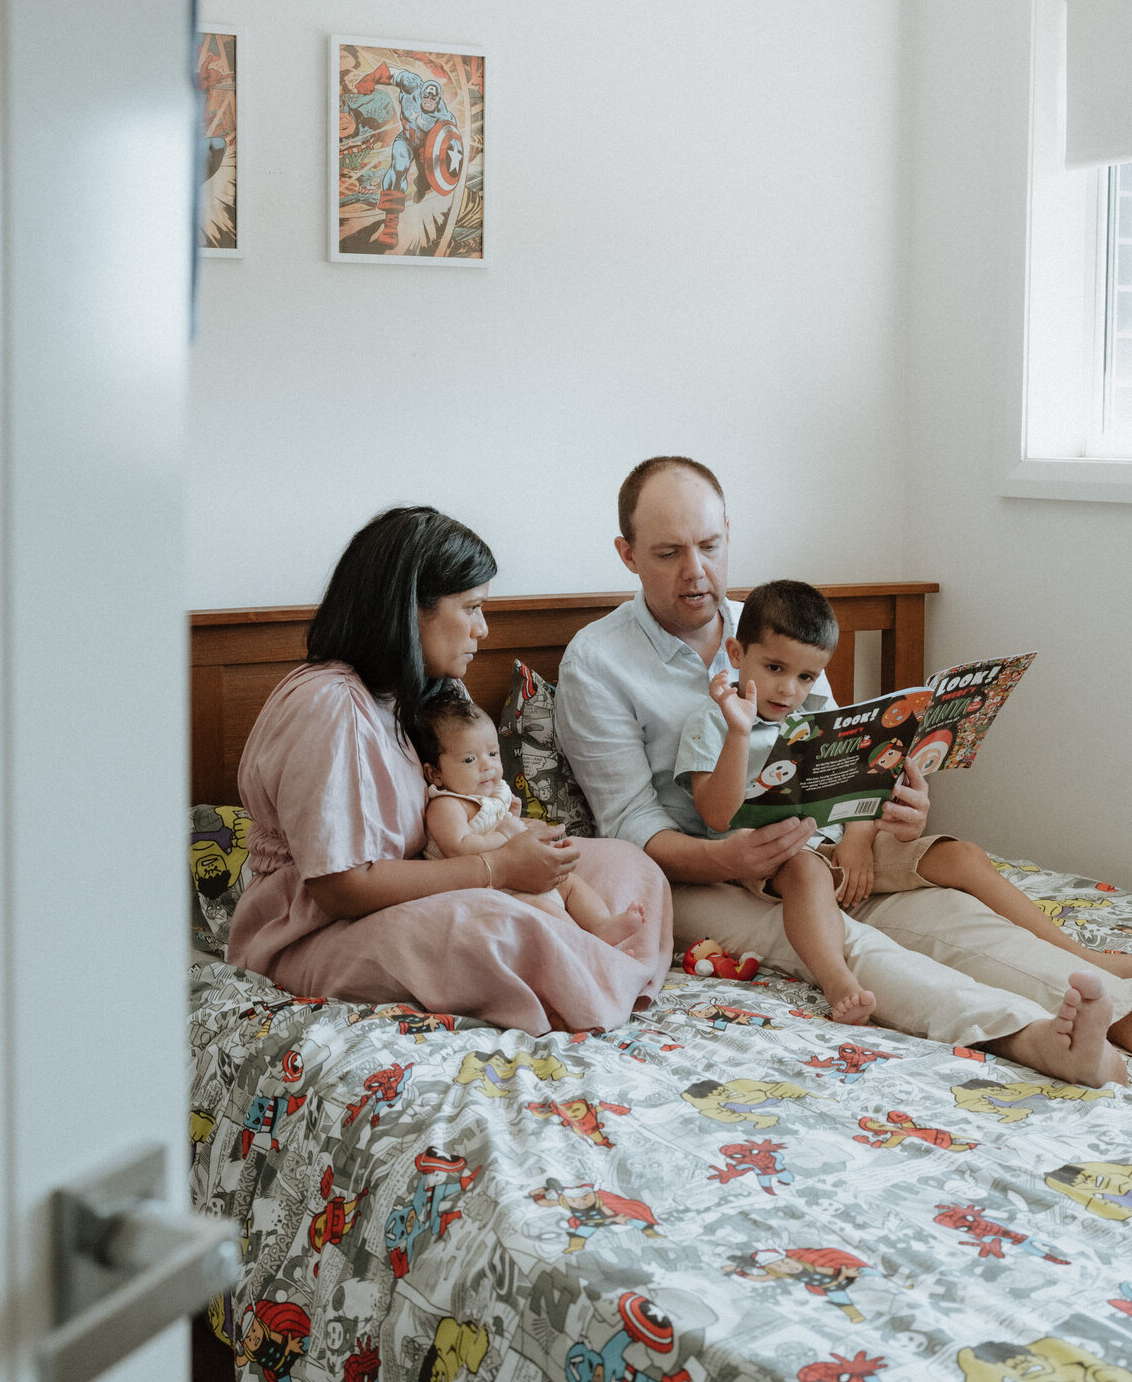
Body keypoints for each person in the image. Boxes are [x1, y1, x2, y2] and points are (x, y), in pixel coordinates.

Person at [554, 455, 1132, 1086]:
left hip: (817, 842)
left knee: (950, 913)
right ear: (627, 553)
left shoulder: (779, 629)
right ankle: (1036, 1040)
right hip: (700, 873)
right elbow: (629, 822)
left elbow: (839, 752)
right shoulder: (597, 661)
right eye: (667, 553)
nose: (696, 572)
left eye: (710, 545)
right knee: (842, 945)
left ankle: (1119, 1014)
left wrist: (888, 801)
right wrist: (728, 860)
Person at [227, 506, 672, 1037]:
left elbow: (476, 816)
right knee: (491, 926)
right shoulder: (331, 705)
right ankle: (581, 978)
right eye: (473, 608)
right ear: (408, 609)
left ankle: (583, 973)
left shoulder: (434, 693)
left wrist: (524, 845)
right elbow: (341, 888)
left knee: (626, 864)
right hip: (320, 928)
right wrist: (500, 870)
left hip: (433, 883)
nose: (483, 629)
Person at [679, 578, 1107, 1028]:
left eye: (805, 676)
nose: (788, 689)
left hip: (840, 846)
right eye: (774, 668)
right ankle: (838, 981)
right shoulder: (711, 723)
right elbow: (716, 814)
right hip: (776, 857)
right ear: (736, 653)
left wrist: (860, 838)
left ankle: (1077, 953)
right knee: (806, 871)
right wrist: (741, 734)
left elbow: (859, 788)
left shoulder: (815, 718)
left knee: (960, 855)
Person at [414, 690, 646, 945]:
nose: (487, 765)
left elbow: (505, 828)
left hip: (517, 878)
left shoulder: (494, 793)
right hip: (484, 890)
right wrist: (506, 833)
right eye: (470, 759)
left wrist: (518, 820)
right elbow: (458, 848)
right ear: (435, 773)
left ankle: (602, 926)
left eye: (492, 753)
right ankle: (586, 948)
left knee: (570, 883)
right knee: (540, 908)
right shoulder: (448, 805)